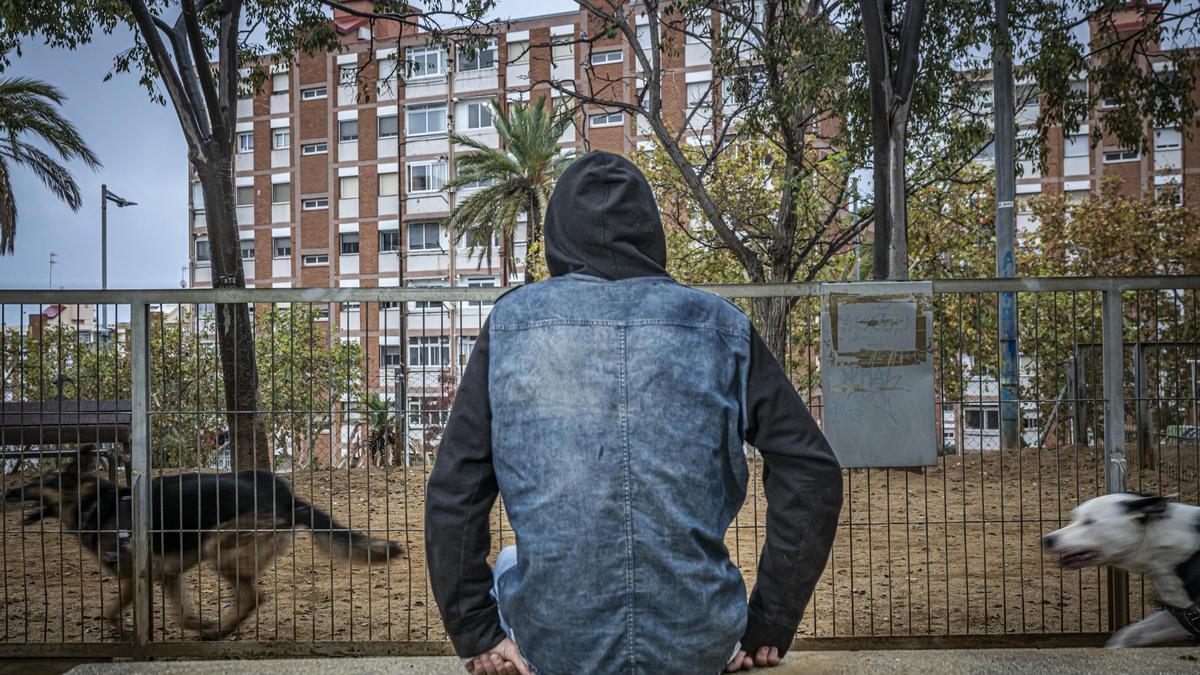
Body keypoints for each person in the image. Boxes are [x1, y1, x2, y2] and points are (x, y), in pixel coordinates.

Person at [426, 151, 843, 675]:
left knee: (512, 563)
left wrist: (478, 633)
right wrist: (768, 624)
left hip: (557, 647)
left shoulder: (511, 325)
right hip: (697, 644)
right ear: (651, 232)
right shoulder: (721, 326)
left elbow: (455, 489)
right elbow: (812, 472)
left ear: (558, 234)